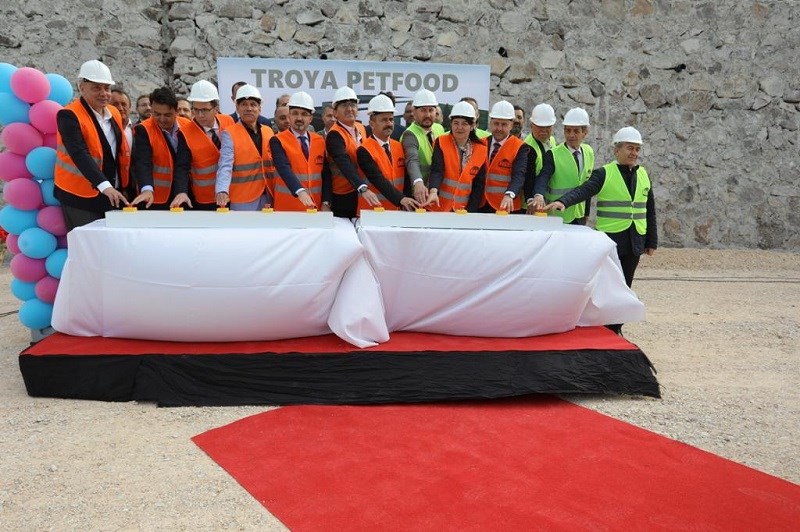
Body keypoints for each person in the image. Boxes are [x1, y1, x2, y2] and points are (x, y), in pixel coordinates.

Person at [544, 126, 657, 333]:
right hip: (611, 241)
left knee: (625, 285)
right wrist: (563, 202)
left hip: (634, 240)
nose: (634, 153)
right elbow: (583, 190)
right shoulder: (604, 173)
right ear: (617, 150)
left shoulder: (643, 175)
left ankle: (615, 328)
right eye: (629, 148)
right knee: (606, 286)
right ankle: (601, 325)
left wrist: (651, 241)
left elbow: (649, 209)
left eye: (637, 149)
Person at [53, 60, 132, 230]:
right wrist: (105, 187)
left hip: (111, 193)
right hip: (80, 195)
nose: (104, 93)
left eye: (107, 88)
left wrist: (121, 186)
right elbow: (79, 153)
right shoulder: (68, 115)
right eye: (97, 88)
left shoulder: (115, 114)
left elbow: (116, 153)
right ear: (82, 88)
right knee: (87, 248)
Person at [130, 87, 192, 209]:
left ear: (176, 111)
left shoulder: (188, 126)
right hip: (155, 197)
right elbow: (143, 163)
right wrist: (146, 189)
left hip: (185, 194)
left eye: (168, 115)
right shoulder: (143, 129)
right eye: (157, 114)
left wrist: (182, 190)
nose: (162, 119)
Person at [215, 84, 276, 210]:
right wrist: (222, 190)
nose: (249, 108)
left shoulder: (268, 131)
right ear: (237, 107)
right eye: (244, 104)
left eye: (253, 104)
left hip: (268, 195)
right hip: (243, 199)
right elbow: (225, 165)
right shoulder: (229, 133)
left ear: (260, 108)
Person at [356, 94, 419, 212]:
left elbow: (405, 180)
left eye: (391, 119)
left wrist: (406, 201)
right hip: (372, 213)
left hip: (396, 212)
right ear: (371, 124)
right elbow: (378, 180)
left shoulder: (398, 146)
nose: (389, 123)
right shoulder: (364, 150)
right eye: (384, 120)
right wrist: (401, 199)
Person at [269, 91, 330, 211]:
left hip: (314, 208)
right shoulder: (277, 140)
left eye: (304, 114)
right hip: (287, 208)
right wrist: (300, 191)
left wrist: (326, 202)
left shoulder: (319, 140)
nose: (299, 118)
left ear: (311, 118)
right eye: (295, 113)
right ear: (289, 115)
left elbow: (326, 174)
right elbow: (283, 168)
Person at [532, 107, 594, 224]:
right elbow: (543, 177)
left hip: (579, 214)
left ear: (585, 133)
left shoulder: (589, 152)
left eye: (576, 131)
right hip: (557, 215)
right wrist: (538, 195)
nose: (571, 135)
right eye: (568, 130)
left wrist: (586, 213)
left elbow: (588, 184)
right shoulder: (553, 154)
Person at [325, 86, 380, 218]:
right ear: (335, 112)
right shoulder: (334, 135)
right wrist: (362, 187)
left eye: (353, 105)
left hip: (363, 193)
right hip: (343, 196)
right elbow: (344, 163)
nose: (350, 109)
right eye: (344, 105)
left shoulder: (361, 128)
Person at [179, 80, 235, 209]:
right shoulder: (185, 133)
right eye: (196, 110)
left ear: (216, 109)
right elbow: (182, 167)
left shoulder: (229, 121)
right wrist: (181, 191)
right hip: (205, 199)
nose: (200, 115)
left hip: (233, 192)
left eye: (204, 110)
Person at [425, 101, 488, 212]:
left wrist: (470, 211)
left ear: (472, 126)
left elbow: (478, 185)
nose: (459, 127)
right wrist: (433, 191)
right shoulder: (441, 142)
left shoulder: (481, 149)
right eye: (456, 123)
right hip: (439, 207)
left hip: (463, 210)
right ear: (451, 124)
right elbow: (436, 170)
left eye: (464, 124)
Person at [480, 100, 529, 213]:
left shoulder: (520, 147)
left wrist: (510, 194)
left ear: (511, 125)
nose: (499, 128)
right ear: (490, 123)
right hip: (481, 205)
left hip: (506, 206)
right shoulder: (481, 144)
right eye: (496, 123)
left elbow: (519, 175)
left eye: (504, 124)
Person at [400, 89, 445, 205]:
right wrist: (418, 182)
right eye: (423, 110)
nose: (428, 115)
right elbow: (412, 160)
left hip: (436, 194)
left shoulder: (439, 129)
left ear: (436, 111)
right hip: (417, 196)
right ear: (414, 112)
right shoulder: (410, 134)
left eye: (431, 110)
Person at [523, 103, 557, 214]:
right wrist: (531, 200)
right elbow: (527, 178)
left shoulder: (551, 140)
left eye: (548, 127)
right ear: (531, 125)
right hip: (531, 205)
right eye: (540, 127)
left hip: (545, 202)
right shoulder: (528, 147)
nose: (544, 130)